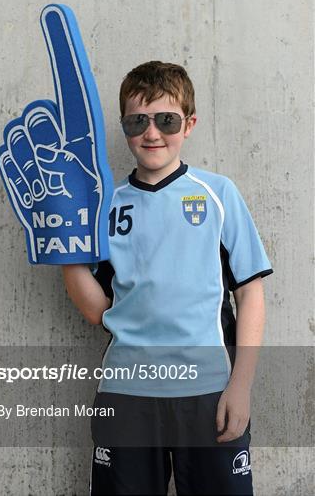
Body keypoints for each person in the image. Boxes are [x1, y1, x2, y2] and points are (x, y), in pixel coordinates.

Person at [62, 61, 273, 495]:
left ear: (188, 124)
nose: (152, 133)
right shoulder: (106, 206)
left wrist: (241, 386)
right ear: (124, 126)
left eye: (166, 120)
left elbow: (251, 294)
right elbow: (97, 311)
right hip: (127, 394)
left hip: (209, 393)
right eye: (138, 121)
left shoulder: (218, 194)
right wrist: (64, 248)